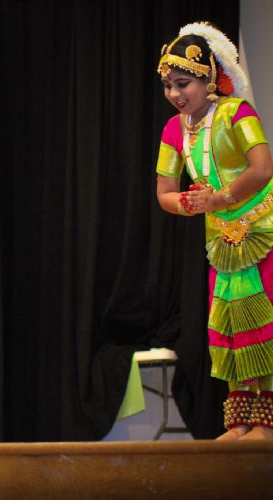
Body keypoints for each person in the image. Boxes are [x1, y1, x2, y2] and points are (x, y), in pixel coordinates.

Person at [155, 22, 273, 440]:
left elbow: (263, 169)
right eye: (168, 85)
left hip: (264, 232)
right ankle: (240, 421)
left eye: (182, 83)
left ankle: (267, 423)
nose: (174, 94)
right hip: (222, 240)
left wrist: (218, 199)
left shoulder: (237, 113)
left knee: (265, 322)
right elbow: (165, 193)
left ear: (208, 80)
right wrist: (189, 204)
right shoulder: (174, 129)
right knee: (230, 327)